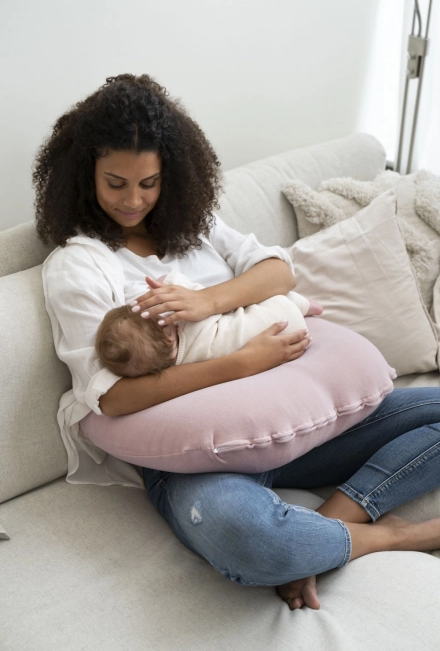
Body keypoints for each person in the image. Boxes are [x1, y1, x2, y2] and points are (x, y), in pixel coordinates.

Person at [36, 73, 440, 611]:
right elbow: (110, 397)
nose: (134, 200)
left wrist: (207, 302)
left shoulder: (192, 228)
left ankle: (334, 523)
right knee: (245, 539)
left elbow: (279, 272)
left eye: (149, 183)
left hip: (299, 421)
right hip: (200, 457)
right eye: (116, 183)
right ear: (84, 176)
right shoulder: (79, 263)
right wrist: (244, 362)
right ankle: (392, 536)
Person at [95, 270, 317, 377]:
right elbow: (199, 298)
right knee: (245, 312)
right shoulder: (192, 326)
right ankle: (306, 306)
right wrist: (167, 284)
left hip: (288, 339)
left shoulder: (185, 365)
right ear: (168, 332)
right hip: (282, 316)